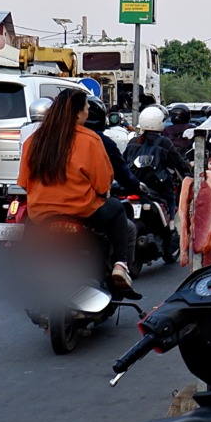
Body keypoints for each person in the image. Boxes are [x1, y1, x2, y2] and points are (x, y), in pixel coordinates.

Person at [19, 88, 137, 297]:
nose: (88, 111)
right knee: (117, 209)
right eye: (86, 107)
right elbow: (102, 185)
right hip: (83, 212)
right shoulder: (90, 139)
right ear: (77, 112)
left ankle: (30, 268)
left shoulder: (34, 140)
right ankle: (120, 265)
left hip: (41, 215)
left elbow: (24, 182)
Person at [126, 105, 192, 186]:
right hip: (157, 184)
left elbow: (123, 162)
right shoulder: (164, 141)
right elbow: (177, 162)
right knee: (170, 196)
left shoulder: (134, 141)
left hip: (133, 182)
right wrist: (188, 168)